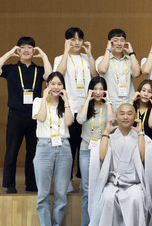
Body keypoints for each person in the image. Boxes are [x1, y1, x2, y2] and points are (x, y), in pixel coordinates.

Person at [0, 36, 52, 193]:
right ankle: (10, 184)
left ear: (34, 50)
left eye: (30, 47)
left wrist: (44, 56)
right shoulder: (11, 69)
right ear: (18, 50)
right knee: (12, 150)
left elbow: (49, 78)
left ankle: (31, 183)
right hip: (16, 115)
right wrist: (10, 52)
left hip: (34, 117)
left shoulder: (38, 70)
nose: (26, 50)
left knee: (33, 151)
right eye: (22, 47)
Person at [87, 104, 152, 226]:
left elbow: (144, 158)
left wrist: (140, 134)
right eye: (122, 113)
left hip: (133, 184)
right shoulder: (109, 137)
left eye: (129, 114)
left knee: (136, 197)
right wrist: (106, 132)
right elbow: (101, 157)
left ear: (135, 117)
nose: (125, 117)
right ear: (116, 117)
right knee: (107, 198)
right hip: (113, 184)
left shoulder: (144, 139)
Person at [54, 27, 98, 190]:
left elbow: (95, 76)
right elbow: (58, 75)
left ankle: (84, 180)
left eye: (79, 39)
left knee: (85, 144)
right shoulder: (60, 58)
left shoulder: (87, 58)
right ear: (67, 41)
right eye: (73, 39)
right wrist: (66, 51)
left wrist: (90, 54)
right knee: (70, 145)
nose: (77, 42)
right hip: (69, 108)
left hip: (86, 108)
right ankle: (68, 180)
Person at [32, 72, 74, 226]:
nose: (56, 87)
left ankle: (56, 224)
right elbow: (41, 118)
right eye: (53, 83)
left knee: (61, 194)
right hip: (44, 146)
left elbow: (69, 122)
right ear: (47, 85)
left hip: (64, 147)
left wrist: (67, 101)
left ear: (63, 86)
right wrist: (44, 98)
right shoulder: (38, 101)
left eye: (59, 84)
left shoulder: (66, 103)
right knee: (43, 193)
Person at [76, 77, 114, 226]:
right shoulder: (86, 105)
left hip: (103, 150)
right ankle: (87, 222)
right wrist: (87, 99)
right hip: (86, 150)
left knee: (103, 186)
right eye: (95, 89)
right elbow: (80, 120)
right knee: (87, 188)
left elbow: (113, 121)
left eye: (101, 89)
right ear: (91, 90)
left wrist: (109, 100)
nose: (98, 92)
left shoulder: (107, 106)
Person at [96, 29, 141, 111]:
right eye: (115, 40)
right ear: (109, 42)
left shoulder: (130, 59)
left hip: (128, 104)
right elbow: (102, 70)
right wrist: (108, 49)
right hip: (109, 104)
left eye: (122, 41)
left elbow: (137, 74)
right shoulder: (102, 59)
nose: (119, 43)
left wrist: (131, 53)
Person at [130, 79, 152, 149]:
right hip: (132, 147)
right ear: (139, 92)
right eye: (143, 90)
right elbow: (124, 119)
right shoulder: (133, 107)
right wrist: (132, 100)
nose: (146, 94)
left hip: (149, 148)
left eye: (149, 92)